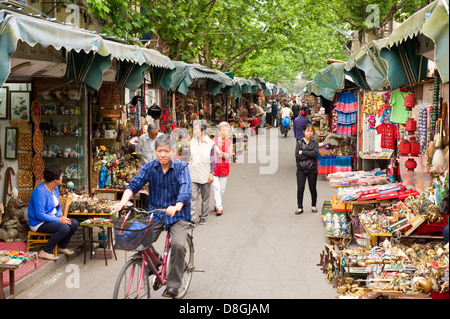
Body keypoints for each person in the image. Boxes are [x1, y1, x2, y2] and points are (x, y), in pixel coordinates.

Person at [113, 135, 192, 298]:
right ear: (155, 151)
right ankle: (155, 262)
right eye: (160, 151)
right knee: (137, 238)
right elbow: (134, 184)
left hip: (178, 214)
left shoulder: (181, 167)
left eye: (166, 151)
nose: (163, 154)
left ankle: (173, 284)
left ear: (172, 152)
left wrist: (177, 206)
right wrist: (122, 202)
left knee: (178, 245)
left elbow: (185, 189)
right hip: (156, 213)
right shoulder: (150, 167)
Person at [27, 165, 79, 260]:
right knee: (64, 228)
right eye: (61, 176)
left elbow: (58, 206)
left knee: (74, 223)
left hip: (52, 219)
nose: (62, 178)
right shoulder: (40, 191)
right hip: (39, 223)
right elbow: (40, 215)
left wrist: (60, 216)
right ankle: (45, 251)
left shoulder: (55, 189)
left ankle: (61, 247)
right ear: (55, 179)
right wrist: (59, 220)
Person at [188, 120, 217, 225]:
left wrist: (211, 173)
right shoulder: (191, 142)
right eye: (194, 129)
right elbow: (187, 158)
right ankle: (191, 218)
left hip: (205, 174)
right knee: (192, 197)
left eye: (196, 129)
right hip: (193, 174)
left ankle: (203, 217)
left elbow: (213, 160)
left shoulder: (210, 143)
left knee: (205, 198)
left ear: (202, 131)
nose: (194, 131)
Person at [295, 124, 319, 215]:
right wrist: (309, 153)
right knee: (300, 188)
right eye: (308, 131)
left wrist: (303, 152)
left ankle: (314, 205)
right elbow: (297, 156)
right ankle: (300, 207)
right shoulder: (299, 142)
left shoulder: (315, 142)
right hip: (301, 169)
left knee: (312, 188)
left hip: (312, 169)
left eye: (311, 131)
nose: (309, 133)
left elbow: (315, 154)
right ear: (304, 132)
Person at [212, 122, 233, 216]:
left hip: (224, 168)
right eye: (223, 130)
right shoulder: (213, 141)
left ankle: (217, 203)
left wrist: (220, 153)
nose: (224, 132)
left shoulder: (229, 142)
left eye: (226, 130)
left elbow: (229, 155)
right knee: (216, 188)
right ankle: (219, 208)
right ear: (219, 131)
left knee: (221, 190)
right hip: (214, 168)